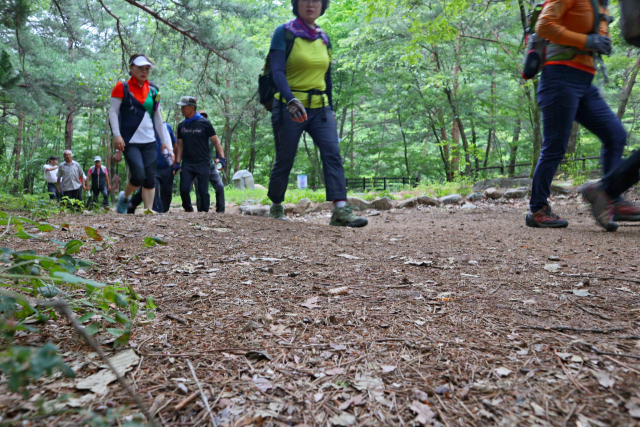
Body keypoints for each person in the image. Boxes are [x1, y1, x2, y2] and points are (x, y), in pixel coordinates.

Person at [526, 0, 640, 228]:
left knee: (615, 134)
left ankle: (610, 199)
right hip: (558, 77)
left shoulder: (602, 4)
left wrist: (600, 44)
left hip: (584, 82)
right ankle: (537, 210)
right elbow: (543, 26)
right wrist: (588, 41)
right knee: (555, 147)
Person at [267, 0, 367, 227]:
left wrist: (330, 109)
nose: (311, 4)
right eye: (305, 0)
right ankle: (276, 204)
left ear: (323, 6)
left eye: (317, 0)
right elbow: (277, 71)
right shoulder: (284, 33)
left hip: (320, 108)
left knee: (332, 153)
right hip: (289, 106)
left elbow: (327, 78)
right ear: (296, 4)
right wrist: (291, 99)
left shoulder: (324, 37)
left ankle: (340, 210)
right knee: (285, 158)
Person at [108, 53, 174, 214]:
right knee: (138, 175)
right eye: (140, 68)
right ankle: (125, 196)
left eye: (147, 69)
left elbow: (157, 116)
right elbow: (113, 113)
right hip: (129, 140)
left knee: (150, 178)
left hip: (150, 140)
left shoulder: (153, 89)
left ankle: (148, 211)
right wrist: (117, 135)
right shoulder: (122, 87)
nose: (144, 71)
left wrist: (164, 140)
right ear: (131, 68)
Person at [174, 97, 225, 213]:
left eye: (183, 107)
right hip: (187, 163)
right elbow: (180, 145)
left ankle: (204, 214)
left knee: (203, 192)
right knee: (184, 189)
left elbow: (216, 141)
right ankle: (189, 209)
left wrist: (222, 158)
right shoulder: (182, 125)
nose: (181, 109)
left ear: (191, 108)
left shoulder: (205, 123)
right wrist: (177, 162)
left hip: (203, 163)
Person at [127, 121, 177, 213]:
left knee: (167, 193)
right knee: (151, 188)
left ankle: (133, 203)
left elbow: (174, 144)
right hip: (151, 166)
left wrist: (176, 163)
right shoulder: (143, 128)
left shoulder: (167, 127)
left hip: (166, 165)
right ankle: (155, 211)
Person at [194, 111, 226, 213]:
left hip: (210, 166)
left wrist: (218, 157)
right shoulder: (192, 132)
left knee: (220, 187)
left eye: (205, 118)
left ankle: (220, 211)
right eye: (201, 117)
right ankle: (202, 213)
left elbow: (217, 144)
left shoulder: (210, 132)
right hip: (196, 167)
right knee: (200, 192)